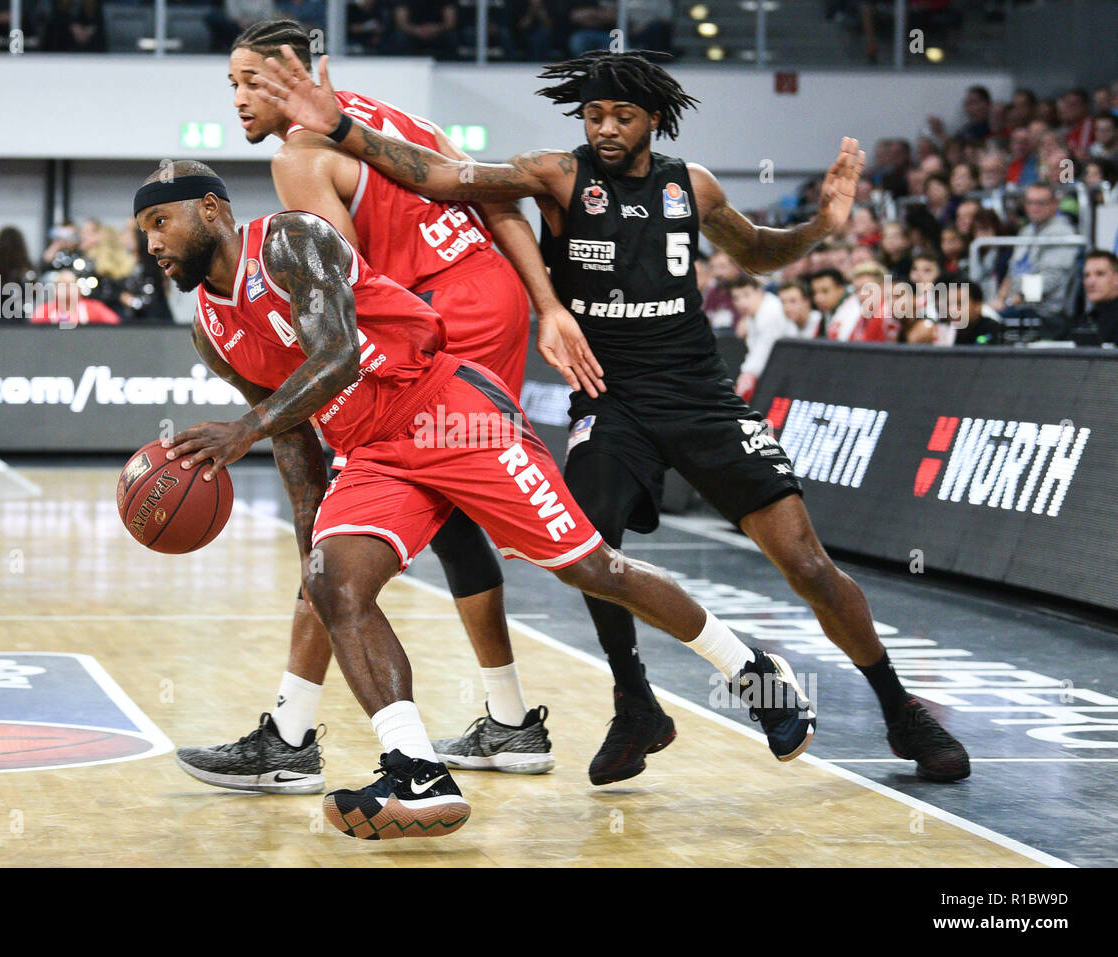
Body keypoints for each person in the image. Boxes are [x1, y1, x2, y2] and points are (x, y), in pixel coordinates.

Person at [255, 46, 971, 781]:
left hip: (700, 398)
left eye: (621, 116)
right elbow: (440, 176)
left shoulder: (691, 186)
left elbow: (756, 253)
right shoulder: (556, 175)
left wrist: (821, 225)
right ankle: (635, 701)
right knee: (588, 550)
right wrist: (339, 127)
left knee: (808, 564)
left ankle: (899, 707)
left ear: (654, 120)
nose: (603, 128)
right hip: (610, 398)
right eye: (593, 114)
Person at [136, 163, 815, 838]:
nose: (153, 244)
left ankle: (752, 672)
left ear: (211, 208)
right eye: (143, 232)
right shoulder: (209, 329)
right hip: (373, 452)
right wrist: (310, 542)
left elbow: (338, 355)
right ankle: (415, 769)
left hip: (448, 411)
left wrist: (243, 430)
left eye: (161, 222)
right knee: (334, 584)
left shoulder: (289, 240)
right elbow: (290, 436)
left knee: (592, 569)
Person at [177, 19, 554, 791]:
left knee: (347, 530)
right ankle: (508, 719)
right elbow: (495, 201)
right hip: (493, 297)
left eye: (254, 81)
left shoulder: (297, 157)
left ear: (295, 73)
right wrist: (545, 301)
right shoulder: (388, 115)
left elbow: (344, 294)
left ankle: (294, 734)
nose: (240, 100)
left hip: (438, 323)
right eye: (233, 85)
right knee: (447, 520)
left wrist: (281, 400)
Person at [991, 183, 1079, 339]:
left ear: (1054, 204)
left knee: (989, 325)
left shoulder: (1063, 234)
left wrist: (1010, 301)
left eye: (1041, 203)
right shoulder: (1026, 231)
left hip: (1046, 313)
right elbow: (1012, 273)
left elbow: (1050, 281)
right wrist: (999, 299)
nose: (1034, 208)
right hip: (1019, 307)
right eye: (1030, 202)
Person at [731, 274, 799, 402]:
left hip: (791, 371)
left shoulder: (770, 312)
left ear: (759, 292)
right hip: (777, 371)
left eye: (747, 295)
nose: (742, 302)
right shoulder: (754, 313)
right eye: (736, 298)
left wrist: (745, 377)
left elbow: (762, 353)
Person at [1074, 250, 1118, 345]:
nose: (1091, 282)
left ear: (1116, 278)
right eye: (1087, 275)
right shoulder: (1087, 319)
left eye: (1100, 274)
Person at [811, 267, 862, 341]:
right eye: (815, 293)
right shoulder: (827, 313)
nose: (818, 298)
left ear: (840, 289)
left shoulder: (856, 311)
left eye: (825, 291)